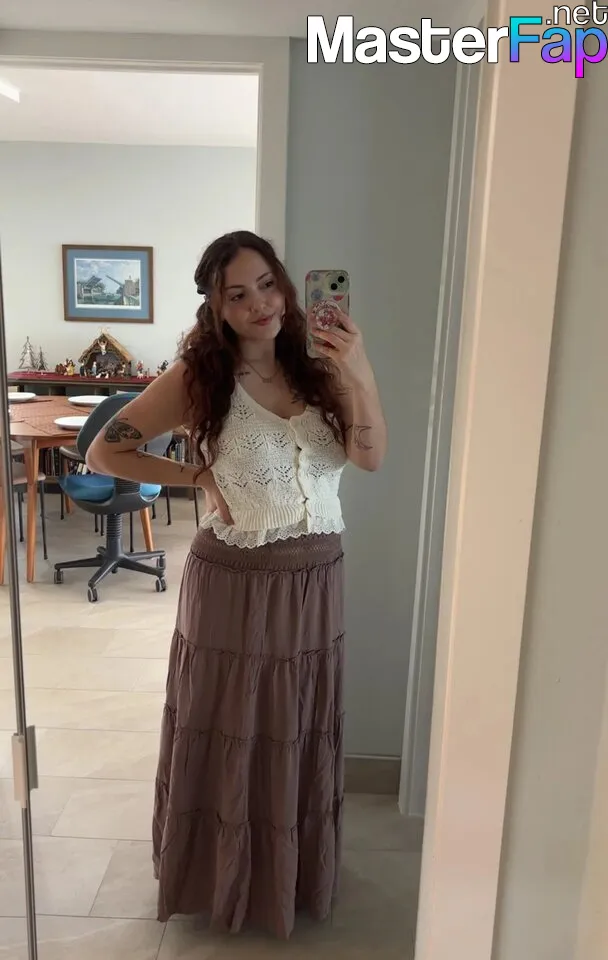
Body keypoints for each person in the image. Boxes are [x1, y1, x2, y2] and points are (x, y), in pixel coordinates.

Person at [86, 230, 387, 939]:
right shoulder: (201, 376)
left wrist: (359, 369)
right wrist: (197, 475)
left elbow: (369, 457)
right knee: (234, 725)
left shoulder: (321, 367)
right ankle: (220, 878)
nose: (260, 304)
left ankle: (286, 875)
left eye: (267, 284)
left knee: (295, 724)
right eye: (237, 294)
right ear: (216, 308)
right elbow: (104, 450)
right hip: (237, 582)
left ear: (286, 283)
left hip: (317, 579)